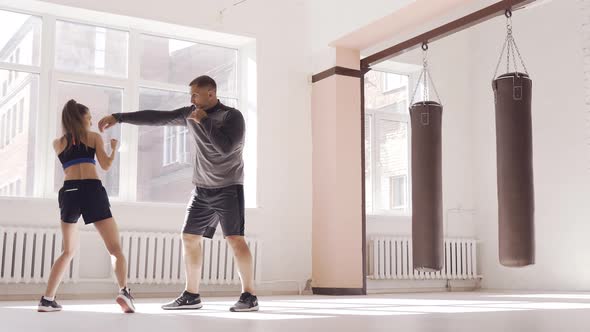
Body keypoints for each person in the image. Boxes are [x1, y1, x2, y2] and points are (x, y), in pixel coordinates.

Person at [98, 75, 258, 312]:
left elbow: (225, 148)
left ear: (211, 94)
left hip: (228, 187)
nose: (191, 98)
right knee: (189, 237)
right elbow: (157, 118)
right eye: (190, 94)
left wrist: (205, 121)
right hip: (202, 189)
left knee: (235, 239)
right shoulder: (190, 113)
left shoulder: (231, 116)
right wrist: (119, 117)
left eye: (195, 94)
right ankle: (191, 295)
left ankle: (249, 296)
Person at [38, 99, 135, 313]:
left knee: (67, 251)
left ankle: (47, 299)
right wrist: (113, 149)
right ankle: (124, 292)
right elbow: (106, 166)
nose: (91, 120)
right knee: (115, 249)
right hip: (91, 190)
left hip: (69, 192)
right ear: (80, 118)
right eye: (89, 117)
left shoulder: (58, 143)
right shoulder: (93, 137)